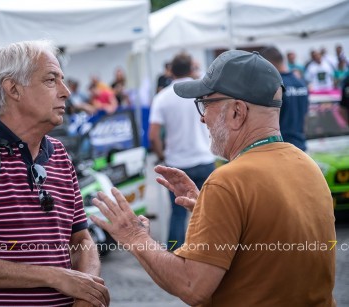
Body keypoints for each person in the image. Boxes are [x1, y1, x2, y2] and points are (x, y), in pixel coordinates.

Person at [91, 50, 336, 306]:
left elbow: (192, 286)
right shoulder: (307, 165)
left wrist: (134, 236)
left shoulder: (229, 181)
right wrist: (212, 211)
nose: (202, 116)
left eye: (206, 103)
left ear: (237, 112)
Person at [0, 40, 109, 307]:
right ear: (13, 88)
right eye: (51, 80)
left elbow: (81, 240)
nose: (65, 92)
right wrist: (53, 277)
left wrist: (86, 291)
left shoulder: (60, 153)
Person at [148, 52, 215, 250]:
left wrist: (161, 155)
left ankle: (175, 252)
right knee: (208, 212)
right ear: (191, 69)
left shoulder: (162, 97)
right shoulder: (202, 93)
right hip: (203, 159)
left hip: (176, 163)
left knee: (177, 214)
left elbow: (153, 135)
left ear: (170, 71)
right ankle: (212, 250)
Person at [260, 46, 309, 151]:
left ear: (268, 64)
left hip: (282, 147)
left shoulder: (276, 86)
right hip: (300, 145)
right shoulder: (300, 83)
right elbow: (305, 116)